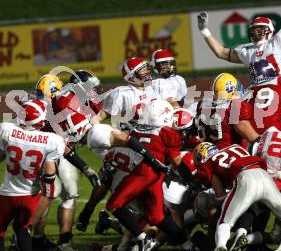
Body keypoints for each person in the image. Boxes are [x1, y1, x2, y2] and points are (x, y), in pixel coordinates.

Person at [192, 142, 281, 251]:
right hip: (263, 175)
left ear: (201, 157)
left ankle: (221, 246)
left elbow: (220, 197)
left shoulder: (210, 163)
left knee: (225, 220)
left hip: (245, 178)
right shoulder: (235, 147)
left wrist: (222, 204)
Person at [106, 100, 194, 251]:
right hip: (154, 175)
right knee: (157, 217)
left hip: (143, 172)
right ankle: (188, 245)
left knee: (114, 204)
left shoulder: (136, 129)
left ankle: (143, 239)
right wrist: (191, 179)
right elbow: (177, 161)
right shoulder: (168, 133)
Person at [33, 72, 101, 251]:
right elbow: (80, 136)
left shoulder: (71, 98)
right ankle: (33, 236)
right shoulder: (61, 104)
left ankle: (64, 241)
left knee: (68, 195)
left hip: (64, 150)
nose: (94, 92)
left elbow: (96, 117)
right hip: (48, 153)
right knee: (48, 195)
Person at [0, 99, 64, 251]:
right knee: (22, 229)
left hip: (8, 194)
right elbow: (49, 175)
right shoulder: (52, 141)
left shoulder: (6, 130)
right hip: (31, 195)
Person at [192, 73, 259, 149]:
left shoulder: (199, 105)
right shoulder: (233, 106)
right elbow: (253, 138)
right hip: (230, 154)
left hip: (206, 154)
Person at [92, 57, 160, 129]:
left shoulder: (154, 87)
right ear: (132, 77)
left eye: (146, 68)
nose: (147, 72)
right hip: (137, 135)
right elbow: (98, 117)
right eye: (142, 70)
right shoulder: (121, 94)